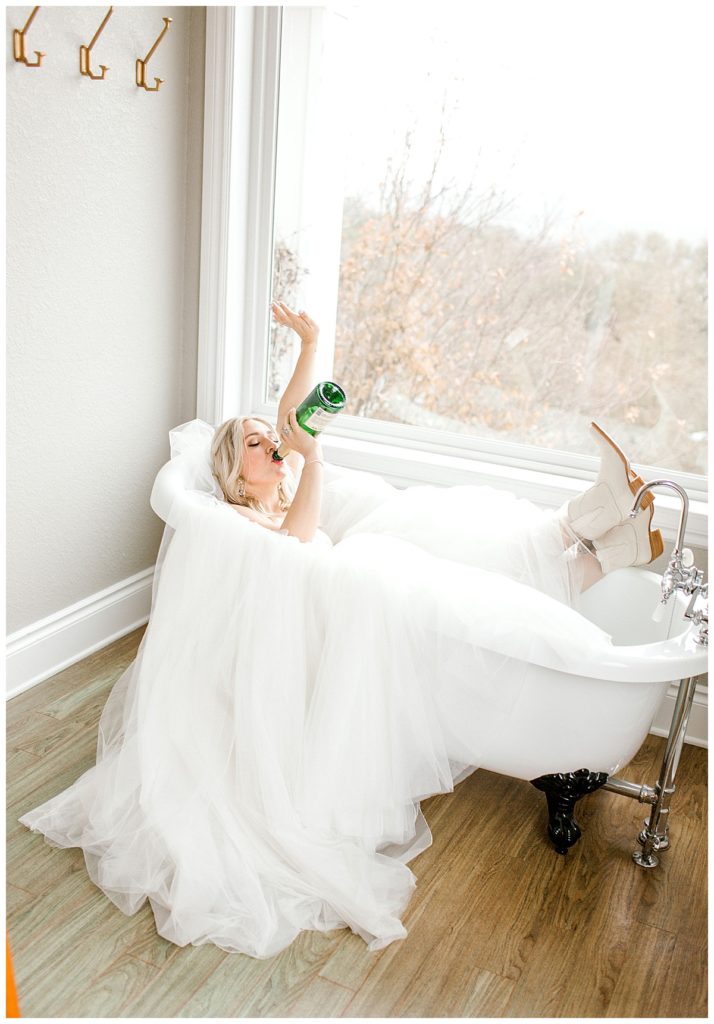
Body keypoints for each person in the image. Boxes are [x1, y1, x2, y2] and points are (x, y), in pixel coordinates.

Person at [18, 300, 665, 960]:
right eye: (254, 444)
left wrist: (310, 342)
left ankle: (602, 539)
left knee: (454, 523)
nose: (273, 446)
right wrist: (313, 461)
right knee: (458, 590)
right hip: (344, 616)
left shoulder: (282, 473)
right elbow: (299, 542)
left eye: (271, 440)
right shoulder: (243, 525)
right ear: (232, 473)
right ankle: (604, 543)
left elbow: (295, 420)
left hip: (359, 592)